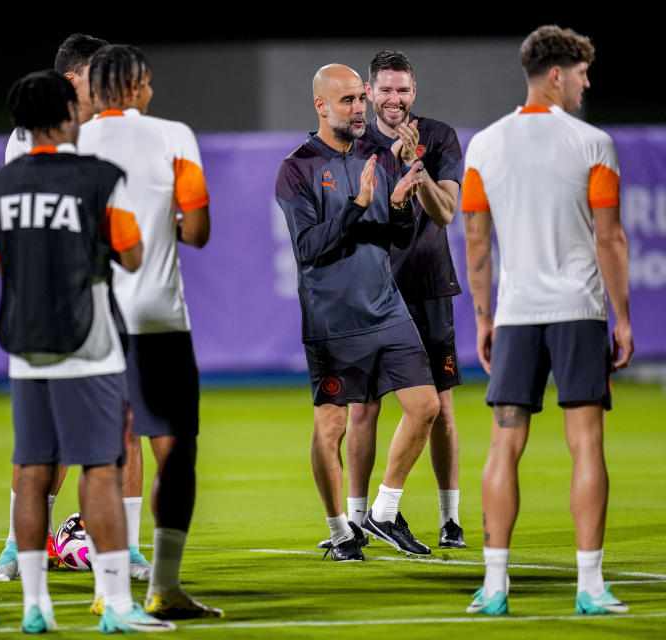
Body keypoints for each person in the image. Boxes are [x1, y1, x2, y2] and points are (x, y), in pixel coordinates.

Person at [0, 69, 174, 634]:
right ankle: (115, 604)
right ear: (68, 114)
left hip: (23, 341)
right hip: (89, 342)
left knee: (34, 468)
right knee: (100, 467)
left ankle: (35, 606)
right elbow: (133, 255)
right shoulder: (99, 176)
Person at [462, 25, 632, 616]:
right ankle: (589, 587)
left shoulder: (483, 145)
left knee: (504, 446)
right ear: (556, 75)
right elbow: (609, 239)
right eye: (582, 73)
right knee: (586, 445)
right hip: (578, 313)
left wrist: (484, 318)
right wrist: (625, 320)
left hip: (514, 317)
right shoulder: (593, 144)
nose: (587, 84)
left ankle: (494, 587)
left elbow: (476, 241)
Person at [79, 43, 220, 620]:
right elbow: (198, 230)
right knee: (174, 453)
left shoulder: (73, 142)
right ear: (136, 85)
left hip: (91, 323)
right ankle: (163, 585)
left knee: (100, 458)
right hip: (159, 317)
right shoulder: (172, 135)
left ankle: (106, 590)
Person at [275, 63, 437, 563]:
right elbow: (307, 248)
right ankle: (341, 531)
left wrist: (400, 204)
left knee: (426, 406)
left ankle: (383, 513)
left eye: (360, 100)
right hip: (333, 320)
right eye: (347, 101)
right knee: (331, 428)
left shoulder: (377, 155)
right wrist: (356, 204)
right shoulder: (297, 167)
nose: (359, 108)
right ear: (321, 105)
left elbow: (400, 237)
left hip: (385, 307)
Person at [319, 50, 466, 552]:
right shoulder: (353, 144)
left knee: (440, 408)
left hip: (427, 287)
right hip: (373, 294)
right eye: (384, 90)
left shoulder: (440, 137)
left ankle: (450, 519)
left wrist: (416, 167)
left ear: (414, 92)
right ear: (369, 92)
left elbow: (446, 214)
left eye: (402, 90)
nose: (394, 99)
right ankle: (361, 519)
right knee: (362, 411)